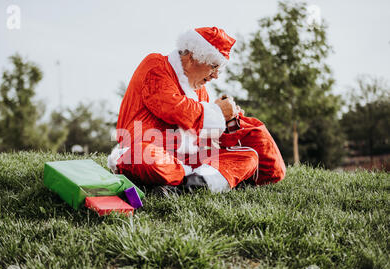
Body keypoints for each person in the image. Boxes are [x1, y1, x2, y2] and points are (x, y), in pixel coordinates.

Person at [107, 27, 286, 193]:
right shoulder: (155, 65)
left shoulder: (201, 91)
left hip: (185, 159)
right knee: (143, 155)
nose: (216, 75)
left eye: (219, 69)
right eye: (214, 66)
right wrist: (217, 112)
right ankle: (202, 181)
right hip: (149, 153)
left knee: (248, 157)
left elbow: (204, 136)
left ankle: (187, 185)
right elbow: (174, 109)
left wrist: (229, 121)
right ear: (193, 57)